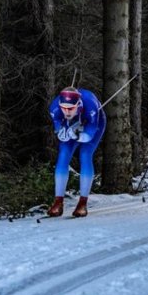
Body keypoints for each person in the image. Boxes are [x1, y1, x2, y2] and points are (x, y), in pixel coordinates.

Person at [47, 86, 106, 217]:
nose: (66, 111)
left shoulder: (91, 107)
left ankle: (82, 203)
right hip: (71, 124)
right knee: (63, 155)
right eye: (64, 108)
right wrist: (60, 131)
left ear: (78, 105)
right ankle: (58, 201)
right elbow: (57, 122)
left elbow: (90, 132)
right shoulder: (54, 108)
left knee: (85, 155)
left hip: (94, 124)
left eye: (70, 108)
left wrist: (81, 135)